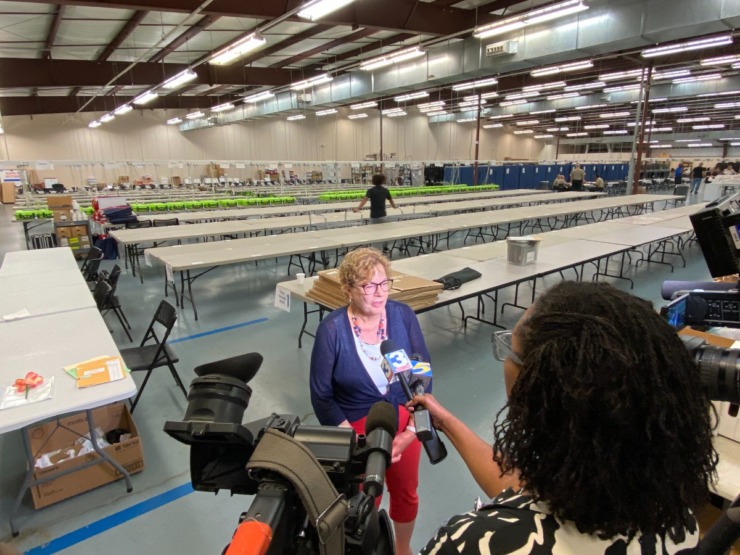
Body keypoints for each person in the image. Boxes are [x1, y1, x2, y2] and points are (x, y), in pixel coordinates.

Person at [413, 281, 717, 554]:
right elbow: (526, 493)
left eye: (511, 350)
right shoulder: (676, 516)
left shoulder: (476, 542)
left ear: (541, 390)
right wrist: (448, 423)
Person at [309, 247, 431, 555]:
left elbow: (423, 371)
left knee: (407, 494)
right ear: (348, 289)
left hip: (404, 421)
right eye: (368, 286)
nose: (379, 293)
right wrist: (354, 439)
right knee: (364, 499)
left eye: (384, 283)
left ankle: (402, 547)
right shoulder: (332, 330)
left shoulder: (403, 315)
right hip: (357, 430)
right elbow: (321, 394)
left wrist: (411, 433)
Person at [353, 174, 397, 254]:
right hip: (383, 215)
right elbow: (391, 201)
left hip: (374, 215)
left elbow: (364, 200)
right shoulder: (385, 190)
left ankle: (375, 251)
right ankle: (385, 248)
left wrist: (358, 208)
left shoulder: (370, 191)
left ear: (373, 181)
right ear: (383, 181)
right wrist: (394, 207)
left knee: (374, 234)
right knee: (383, 233)